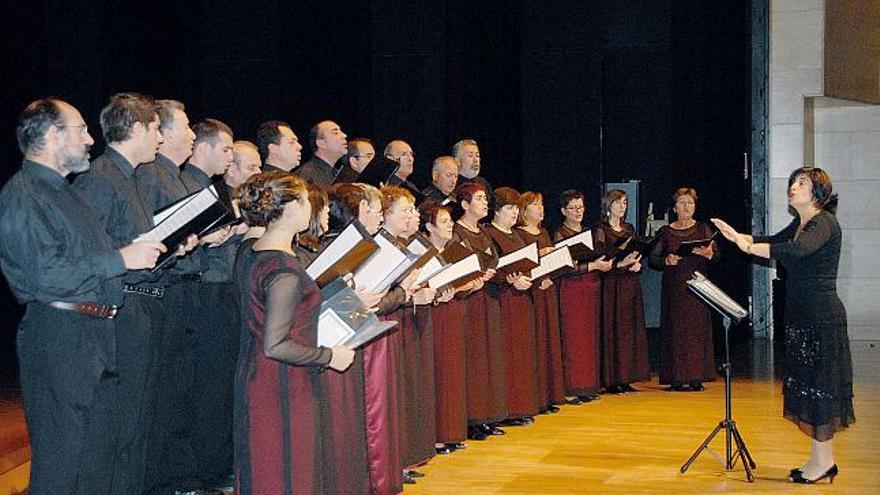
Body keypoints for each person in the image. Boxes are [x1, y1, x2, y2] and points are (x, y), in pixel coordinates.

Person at [0, 97, 165, 495]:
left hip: (93, 333)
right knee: (62, 464)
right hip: (60, 335)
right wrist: (119, 258)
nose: (91, 139)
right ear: (54, 135)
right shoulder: (24, 195)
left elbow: (86, 256)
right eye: (80, 130)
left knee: (97, 458)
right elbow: (45, 275)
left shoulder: (65, 192)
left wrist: (128, 253)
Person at [712, 167, 853, 484]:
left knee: (820, 387)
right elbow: (773, 241)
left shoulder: (823, 223)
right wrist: (738, 237)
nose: (793, 187)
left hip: (821, 318)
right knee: (810, 386)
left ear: (818, 191)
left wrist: (748, 247)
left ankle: (824, 462)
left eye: (801, 183)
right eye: (792, 182)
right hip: (803, 315)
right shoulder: (800, 223)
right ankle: (821, 461)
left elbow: (795, 250)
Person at [233, 172, 355, 494]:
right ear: (288, 208)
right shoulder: (283, 269)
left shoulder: (251, 252)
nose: (309, 206)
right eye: (304, 200)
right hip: (282, 383)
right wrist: (330, 356)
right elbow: (276, 345)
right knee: (286, 468)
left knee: (267, 466)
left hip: (257, 375)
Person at [419, 201, 479, 453]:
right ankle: (436, 435)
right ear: (429, 227)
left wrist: (470, 285)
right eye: (443, 222)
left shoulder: (456, 250)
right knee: (438, 373)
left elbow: (462, 283)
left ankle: (453, 431)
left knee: (454, 374)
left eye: (450, 221)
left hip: (454, 313)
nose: (450, 225)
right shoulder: (422, 253)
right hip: (434, 317)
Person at [648, 187, 718, 391]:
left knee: (697, 331)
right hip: (675, 287)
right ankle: (677, 377)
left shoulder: (703, 228)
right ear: (675, 207)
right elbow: (653, 259)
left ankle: (697, 376)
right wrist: (666, 260)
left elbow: (717, 256)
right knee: (676, 330)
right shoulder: (666, 231)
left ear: (695, 206)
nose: (686, 207)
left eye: (690, 203)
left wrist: (709, 255)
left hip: (698, 285)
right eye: (682, 203)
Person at [452, 183, 506, 440]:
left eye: (486, 198)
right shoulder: (457, 232)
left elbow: (494, 258)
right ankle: (471, 419)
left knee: (489, 358)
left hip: (489, 297)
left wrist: (492, 273)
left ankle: (487, 415)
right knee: (473, 359)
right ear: (464, 204)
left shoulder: (484, 231)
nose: (485, 203)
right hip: (470, 300)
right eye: (480, 199)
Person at [554, 190, 612, 403]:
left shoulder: (592, 232)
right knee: (573, 339)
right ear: (563, 211)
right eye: (573, 208)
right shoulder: (560, 234)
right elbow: (564, 266)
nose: (578, 212)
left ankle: (588, 386)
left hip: (591, 289)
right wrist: (592, 266)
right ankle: (572, 389)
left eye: (581, 207)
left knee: (589, 338)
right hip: (572, 289)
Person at [595, 189, 649, 393]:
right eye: (617, 202)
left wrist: (636, 264)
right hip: (611, 284)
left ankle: (626, 377)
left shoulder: (629, 228)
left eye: (625, 203)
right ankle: (612, 379)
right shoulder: (600, 229)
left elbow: (635, 253)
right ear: (608, 206)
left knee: (629, 330)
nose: (622, 206)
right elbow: (602, 258)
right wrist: (620, 263)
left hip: (629, 283)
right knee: (613, 329)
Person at [516, 191, 566, 413]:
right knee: (536, 343)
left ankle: (549, 395)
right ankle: (536, 397)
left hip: (547, 290)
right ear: (524, 210)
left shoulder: (544, 232)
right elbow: (522, 264)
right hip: (532, 292)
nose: (541, 209)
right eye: (536, 205)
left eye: (542, 204)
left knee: (549, 341)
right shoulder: (519, 234)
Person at [298, 120, 348, 187]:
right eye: (336, 133)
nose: (344, 135)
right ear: (321, 143)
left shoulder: (338, 173)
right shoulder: (306, 175)